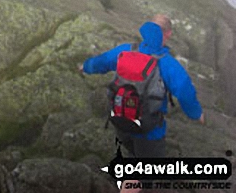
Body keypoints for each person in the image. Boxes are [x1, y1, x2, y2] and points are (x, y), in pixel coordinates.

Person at [80, 14, 204, 159]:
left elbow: (103, 62)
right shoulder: (168, 64)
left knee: (131, 150)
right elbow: (184, 92)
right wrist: (196, 114)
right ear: (168, 34)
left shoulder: (126, 50)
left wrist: (86, 66)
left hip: (120, 119)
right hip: (149, 131)